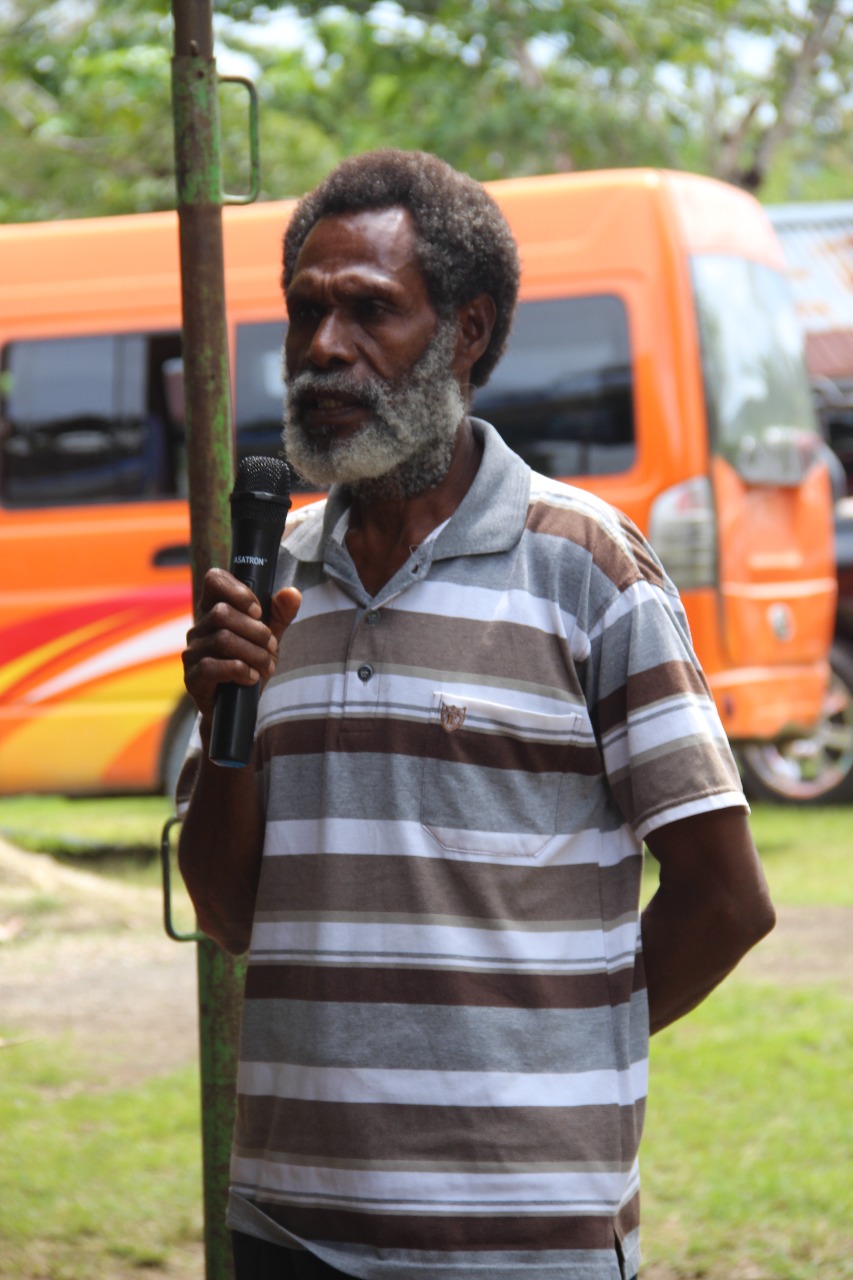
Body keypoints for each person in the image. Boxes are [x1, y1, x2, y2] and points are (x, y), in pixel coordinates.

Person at [177, 149, 775, 1280]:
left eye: (369, 310)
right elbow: (227, 910)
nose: (322, 346)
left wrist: (546, 1051)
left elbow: (726, 899)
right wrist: (226, 723)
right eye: (305, 310)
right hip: (292, 1224)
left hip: (524, 1233)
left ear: (466, 331)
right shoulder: (271, 577)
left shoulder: (586, 568)